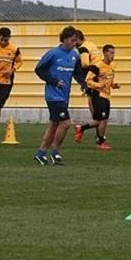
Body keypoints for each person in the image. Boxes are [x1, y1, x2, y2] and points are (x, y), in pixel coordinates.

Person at [33, 26, 84, 165]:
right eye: (72, 40)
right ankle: (55, 153)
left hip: (64, 96)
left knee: (54, 125)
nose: (74, 43)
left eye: (76, 41)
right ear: (65, 39)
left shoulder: (74, 56)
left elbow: (78, 73)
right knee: (66, 123)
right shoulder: (53, 54)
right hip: (53, 96)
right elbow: (39, 70)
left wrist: (84, 85)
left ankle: (41, 153)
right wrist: (54, 81)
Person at [75, 44, 120, 150]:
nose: (113, 55)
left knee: (102, 120)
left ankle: (81, 129)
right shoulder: (96, 67)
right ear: (105, 53)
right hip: (98, 95)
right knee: (101, 120)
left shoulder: (112, 65)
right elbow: (88, 81)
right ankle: (100, 142)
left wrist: (114, 85)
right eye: (111, 53)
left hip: (106, 96)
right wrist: (99, 85)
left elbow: (109, 79)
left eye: (114, 53)